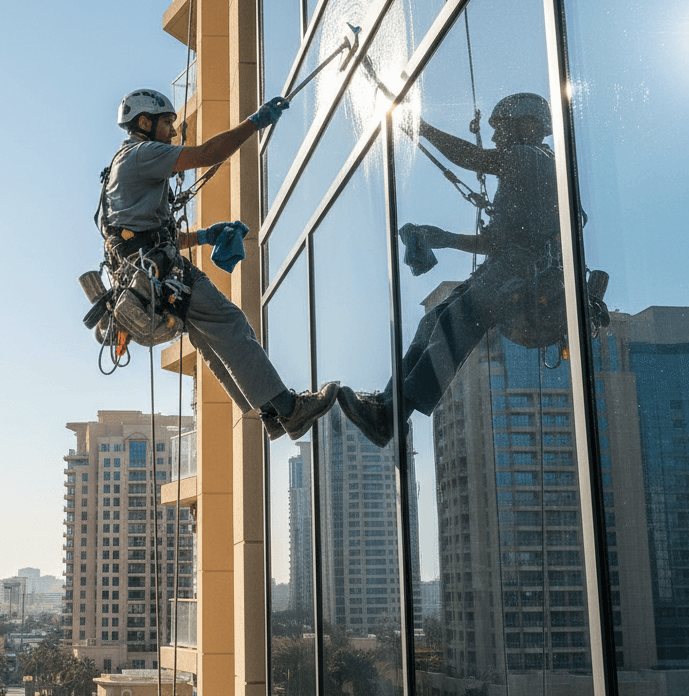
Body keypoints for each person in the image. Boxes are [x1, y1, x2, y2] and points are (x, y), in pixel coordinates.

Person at [101, 88, 339, 441]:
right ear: (145, 122)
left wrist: (204, 236)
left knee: (211, 340)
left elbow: (145, 234)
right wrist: (254, 123)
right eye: (167, 123)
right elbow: (207, 154)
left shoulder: (123, 167)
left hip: (149, 270)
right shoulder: (142, 153)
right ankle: (288, 410)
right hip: (163, 272)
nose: (173, 131)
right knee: (230, 322)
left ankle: (271, 413)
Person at [340, 93, 562, 447]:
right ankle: (387, 407)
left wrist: (422, 128)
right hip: (509, 268)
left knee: (452, 323)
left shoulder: (533, 157)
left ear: (528, 125)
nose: (494, 137)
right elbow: (498, 242)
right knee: (432, 321)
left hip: (522, 272)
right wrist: (443, 238)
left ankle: (392, 413)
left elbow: (473, 158)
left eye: (501, 129)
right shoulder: (528, 169)